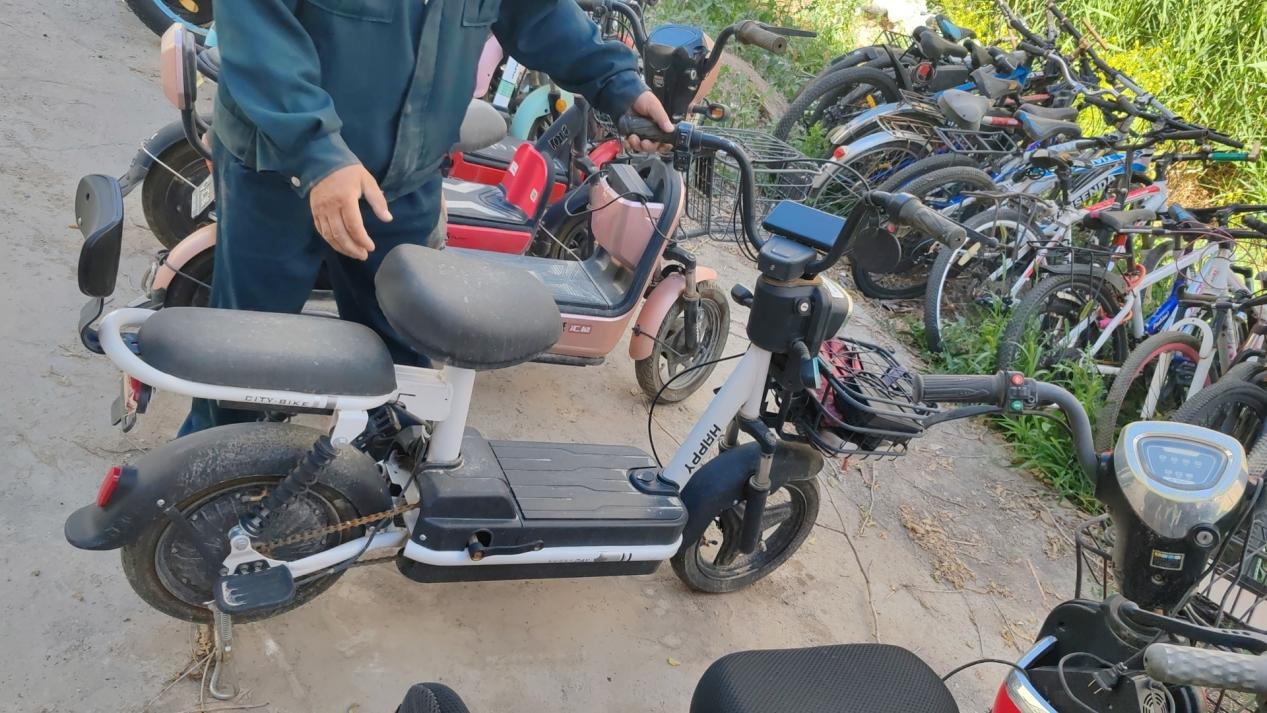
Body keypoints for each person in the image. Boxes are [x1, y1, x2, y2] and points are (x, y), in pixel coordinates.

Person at [181, 0, 673, 435]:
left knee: (401, 374)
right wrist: (317, 154)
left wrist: (618, 84)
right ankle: (208, 493)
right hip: (278, 168)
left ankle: (365, 486)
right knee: (245, 366)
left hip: (403, 178)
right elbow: (256, 23)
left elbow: (538, 14)